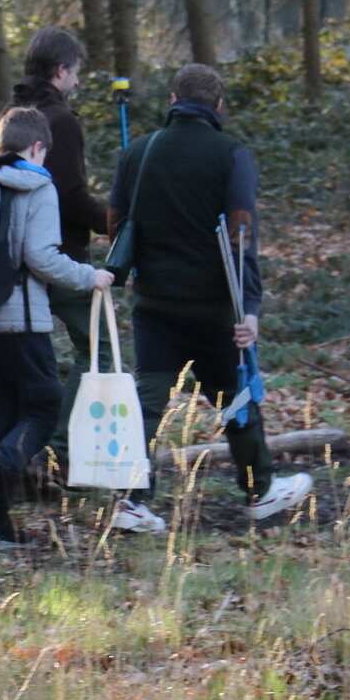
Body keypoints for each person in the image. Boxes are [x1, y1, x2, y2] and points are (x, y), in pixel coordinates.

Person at [104, 62, 312, 532]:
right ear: (218, 107)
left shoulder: (137, 152)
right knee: (236, 398)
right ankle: (259, 490)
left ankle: (132, 500)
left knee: (149, 401)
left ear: (174, 101)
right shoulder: (231, 154)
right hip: (215, 308)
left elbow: (117, 224)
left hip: (154, 303)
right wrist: (251, 307)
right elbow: (242, 236)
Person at [0, 108, 111, 549]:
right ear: (37, 148)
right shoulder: (38, 186)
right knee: (45, 408)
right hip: (19, 318)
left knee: (4, 416)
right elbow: (41, 256)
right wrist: (88, 276)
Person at [5, 25, 114, 480]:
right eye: (75, 74)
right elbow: (70, 193)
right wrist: (113, 222)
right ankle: (57, 451)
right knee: (100, 349)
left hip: (13, 258)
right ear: (60, 71)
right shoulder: (61, 121)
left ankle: (22, 452)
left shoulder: (10, 114)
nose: (77, 83)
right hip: (60, 256)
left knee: (29, 362)